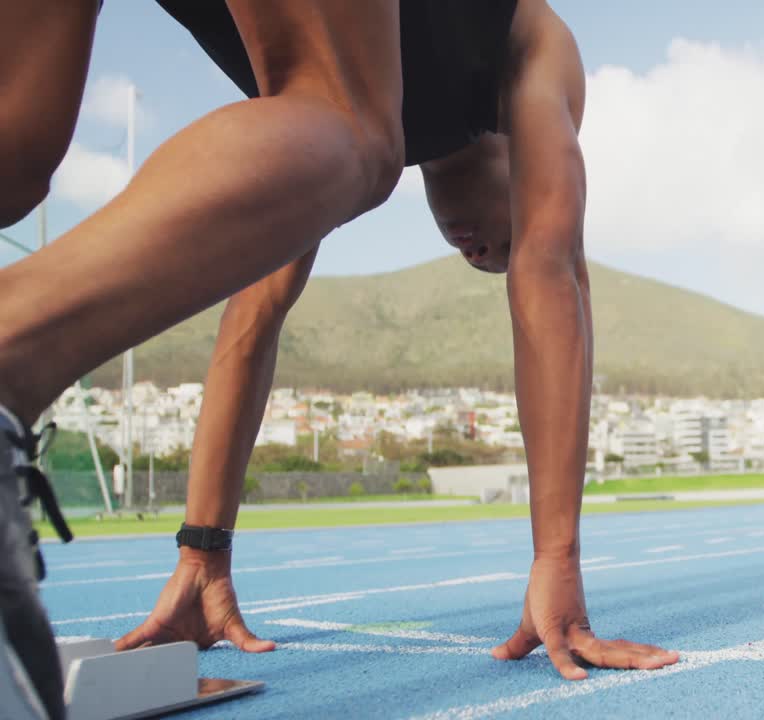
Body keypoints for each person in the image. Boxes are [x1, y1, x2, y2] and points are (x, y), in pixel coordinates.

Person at [1, 2, 675, 718]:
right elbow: (553, 270)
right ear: (531, 168)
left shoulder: (301, 147)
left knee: (17, 153)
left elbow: (254, 314)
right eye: (503, 245)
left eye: (487, 261)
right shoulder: (533, 41)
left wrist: (202, 555)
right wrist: (558, 563)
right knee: (356, 138)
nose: (485, 255)